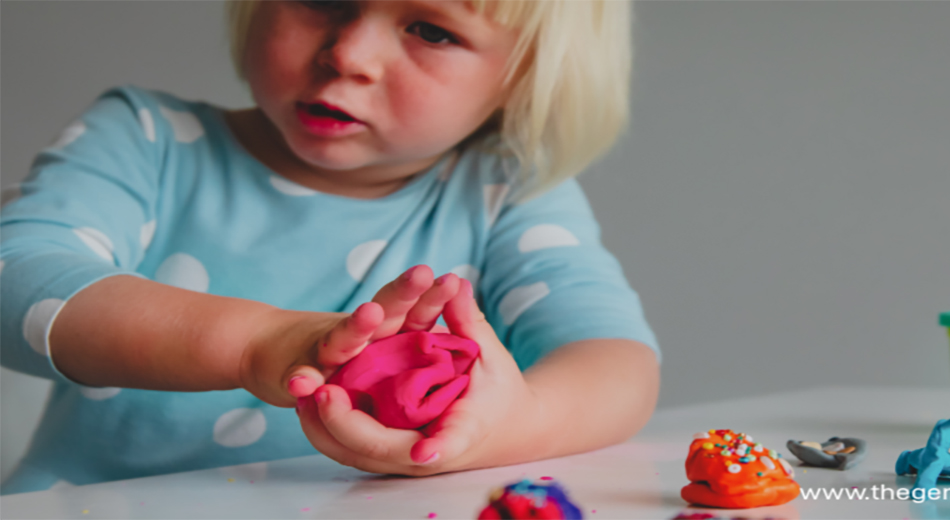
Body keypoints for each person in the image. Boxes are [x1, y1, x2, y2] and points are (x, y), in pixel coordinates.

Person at [0, 0, 659, 494]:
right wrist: (258, 344)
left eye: (431, 29)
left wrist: (517, 422)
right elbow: (17, 278)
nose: (349, 55)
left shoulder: (502, 192)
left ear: (522, 79)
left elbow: (615, 362)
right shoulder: (145, 138)